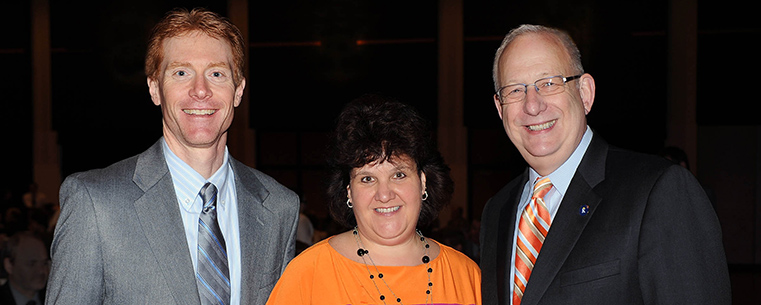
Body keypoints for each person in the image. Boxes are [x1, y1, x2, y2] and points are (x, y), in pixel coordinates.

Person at [46, 8, 300, 305]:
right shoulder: (95, 203)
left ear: (238, 91)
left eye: (216, 74)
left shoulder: (280, 208)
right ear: (155, 89)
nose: (201, 90)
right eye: (181, 73)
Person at [480, 24, 730, 305]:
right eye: (514, 90)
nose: (532, 105)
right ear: (500, 108)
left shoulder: (659, 192)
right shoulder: (497, 213)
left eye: (549, 83)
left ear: (585, 92)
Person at [266, 95, 481, 304]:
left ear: (423, 182)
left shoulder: (466, 276)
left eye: (399, 175)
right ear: (349, 191)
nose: (385, 194)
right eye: (367, 178)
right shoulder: (308, 273)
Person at [1, 231, 50, 305]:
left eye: (44, 263)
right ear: (9, 266)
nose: (41, 271)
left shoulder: (57, 297)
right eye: (31, 264)